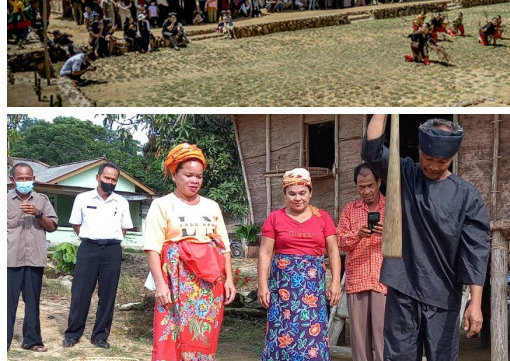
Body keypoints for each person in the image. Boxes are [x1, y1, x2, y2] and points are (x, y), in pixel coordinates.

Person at [361, 115, 490, 361]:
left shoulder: (467, 196)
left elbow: (476, 251)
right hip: (403, 288)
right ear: (419, 149)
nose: (432, 165)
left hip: (443, 294)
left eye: (442, 161)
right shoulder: (405, 175)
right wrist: (383, 108)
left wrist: (475, 303)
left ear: (452, 158)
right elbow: (372, 151)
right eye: (428, 158)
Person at [143, 143, 236, 361]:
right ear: (174, 175)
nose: (194, 181)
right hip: (175, 281)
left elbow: (224, 247)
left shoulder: (212, 206)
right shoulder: (162, 205)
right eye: (188, 175)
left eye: (199, 176)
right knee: (172, 333)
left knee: (203, 333)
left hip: (209, 284)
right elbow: (152, 248)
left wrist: (229, 280)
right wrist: (161, 284)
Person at [258, 168, 342, 361]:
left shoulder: (323, 217)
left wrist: (335, 282)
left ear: (310, 192)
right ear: (285, 194)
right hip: (283, 293)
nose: (298, 198)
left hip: (312, 293)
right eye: (292, 194)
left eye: (302, 193)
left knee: (312, 338)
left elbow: (333, 251)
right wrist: (262, 285)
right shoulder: (274, 218)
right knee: (282, 334)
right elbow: (265, 253)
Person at [63, 163, 133, 349]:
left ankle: (100, 336)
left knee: (108, 294)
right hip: (88, 248)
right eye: (107, 178)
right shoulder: (82, 198)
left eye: (114, 179)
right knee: (80, 293)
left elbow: (124, 228)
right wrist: (92, 239)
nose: (110, 182)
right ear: (98, 177)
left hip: (112, 250)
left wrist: (109, 241)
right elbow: (76, 225)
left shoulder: (122, 202)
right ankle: (73, 333)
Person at [337, 163, 387, 361]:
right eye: (361, 186)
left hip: (384, 279)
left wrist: (389, 233)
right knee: (358, 337)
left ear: (379, 182)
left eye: (370, 185)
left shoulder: (392, 207)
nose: (366, 191)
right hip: (357, 279)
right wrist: (357, 235)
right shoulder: (350, 210)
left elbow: (406, 240)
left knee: (383, 333)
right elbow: (340, 242)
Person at [7, 163, 58, 352]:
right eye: (20, 178)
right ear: (13, 180)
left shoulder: (42, 200)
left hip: (34, 260)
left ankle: (32, 340)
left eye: (28, 178)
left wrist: (38, 213)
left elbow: (52, 226)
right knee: (7, 303)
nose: (24, 181)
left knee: (33, 302)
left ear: (34, 179)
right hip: (9, 260)